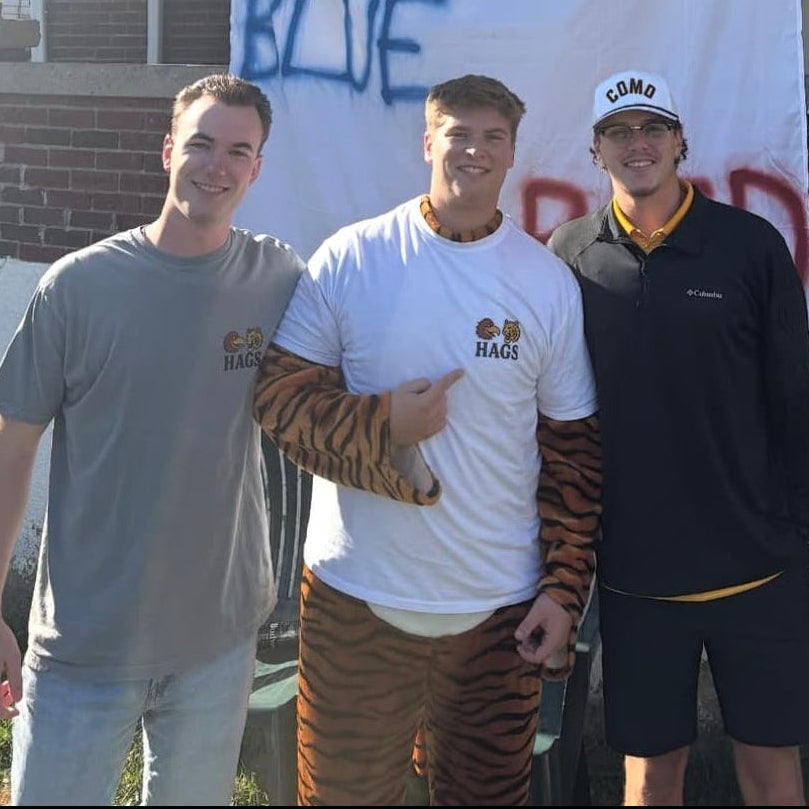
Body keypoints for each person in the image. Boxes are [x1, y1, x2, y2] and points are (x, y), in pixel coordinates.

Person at [252, 73, 602, 805]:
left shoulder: (544, 282)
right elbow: (278, 403)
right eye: (458, 133)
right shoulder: (352, 256)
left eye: (492, 137)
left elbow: (572, 456)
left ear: (511, 153)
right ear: (427, 142)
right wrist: (384, 427)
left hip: (497, 610)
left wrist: (563, 594)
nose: (473, 150)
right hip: (355, 597)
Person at [0, 73, 305, 805]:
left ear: (257, 168)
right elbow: (11, 449)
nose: (216, 165)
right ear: (168, 150)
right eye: (200, 143)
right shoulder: (77, 287)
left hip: (218, 639)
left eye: (238, 150)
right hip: (86, 643)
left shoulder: (278, 278)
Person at [547, 68, 809, 806]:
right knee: (650, 773)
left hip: (759, 568)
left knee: (770, 767)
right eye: (618, 132)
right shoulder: (566, 251)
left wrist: (796, 528)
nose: (637, 144)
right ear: (595, 151)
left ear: (679, 142)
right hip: (637, 576)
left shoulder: (750, 244)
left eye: (651, 128)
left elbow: (793, 395)